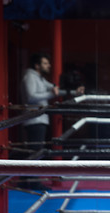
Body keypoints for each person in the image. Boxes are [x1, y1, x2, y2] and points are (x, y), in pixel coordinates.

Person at [20, 53, 85, 189]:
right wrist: (52, 93)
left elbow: (55, 89)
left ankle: (27, 179)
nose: (48, 65)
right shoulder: (30, 77)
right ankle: (33, 181)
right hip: (34, 119)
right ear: (37, 65)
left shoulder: (39, 78)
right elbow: (31, 96)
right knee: (35, 151)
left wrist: (74, 92)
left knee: (35, 150)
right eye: (45, 63)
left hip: (38, 119)